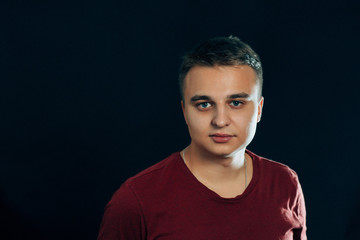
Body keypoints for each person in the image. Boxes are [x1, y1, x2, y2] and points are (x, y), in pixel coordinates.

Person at [97, 36, 307, 240]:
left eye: (236, 103)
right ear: (185, 111)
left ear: (259, 109)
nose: (220, 120)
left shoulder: (285, 183)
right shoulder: (136, 200)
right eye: (204, 104)